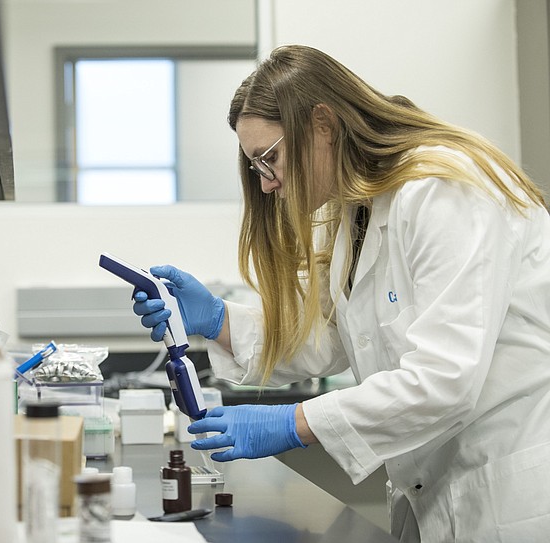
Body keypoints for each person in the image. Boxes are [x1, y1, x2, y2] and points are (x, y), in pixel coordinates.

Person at [131, 45, 550, 543]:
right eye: (255, 166)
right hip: (434, 489)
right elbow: (334, 336)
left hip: (506, 490)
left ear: (323, 125)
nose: (266, 185)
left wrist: (294, 422)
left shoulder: (446, 190)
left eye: (269, 159)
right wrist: (218, 319)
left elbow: (445, 380)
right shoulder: (359, 209)